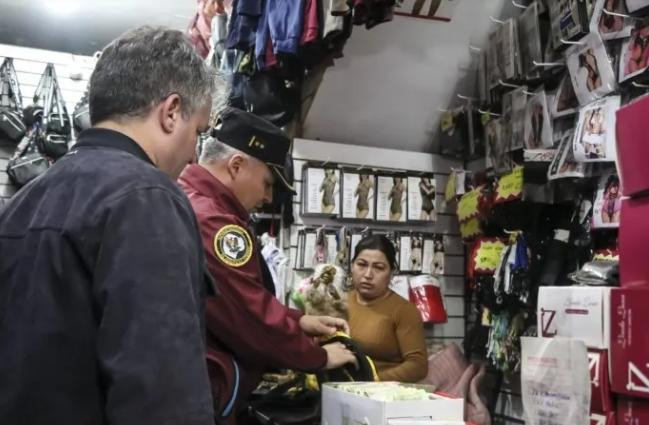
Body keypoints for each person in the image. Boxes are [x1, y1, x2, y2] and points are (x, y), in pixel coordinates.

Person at [0, 27, 216, 425]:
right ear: (171, 112)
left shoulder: (26, 199)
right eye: (198, 133)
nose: (193, 151)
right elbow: (162, 390)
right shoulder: (147, 198)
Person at [178, 107, 357, 424]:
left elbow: (236, 298)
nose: (267, 196)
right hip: (201, 394)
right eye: (267, 183)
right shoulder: (214, 222)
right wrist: (317, 357)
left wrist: (298, 321)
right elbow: (248, 312)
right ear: (236, 166)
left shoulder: (191, 201)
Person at [347, 235, 428, 383]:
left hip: (381, 395)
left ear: (392, 272)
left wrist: (373, 381)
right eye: (361, 264)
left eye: (379, 268)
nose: (367, 274)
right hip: (338, 389)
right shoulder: (341, 303)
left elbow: (418, 366)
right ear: (352, 266)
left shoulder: (404, 311)